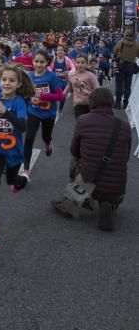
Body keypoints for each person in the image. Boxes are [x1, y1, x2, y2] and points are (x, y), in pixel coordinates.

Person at [51, 87, 131, 231]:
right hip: (117, 187)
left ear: (91, 102)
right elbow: (125, 157)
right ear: (111, 103)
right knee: (116, 163)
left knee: (76, 157)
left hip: (89, 180)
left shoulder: (84, 120)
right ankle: (109, 202)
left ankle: (73, 197)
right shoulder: (124, 126)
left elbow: (74, 150)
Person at [0, 65, 34, 239]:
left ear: (18, 84)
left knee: (10, 180)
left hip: (13, 151)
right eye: (4, 79)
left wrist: (5, 112)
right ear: (0, 81)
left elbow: (22, 126)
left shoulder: (18, 102)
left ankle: (21, 181)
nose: (7, 83)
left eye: (11, 80)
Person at [22, 49, 63, 180]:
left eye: (42, 62)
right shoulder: (29, 76)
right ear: (32, 62)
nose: (38, 64)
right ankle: (26, 171)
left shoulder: (52, 77)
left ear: (47, 63)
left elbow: (60, 96)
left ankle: (48, 144)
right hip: (33, 111)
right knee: (28, 139)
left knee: (46, 136)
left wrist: (42, 95)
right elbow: (26, 94)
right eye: (36, 61)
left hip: (48, 113)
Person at [63, 53, 99, 119]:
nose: (80, 65)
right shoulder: (71, 75)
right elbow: (69, 86)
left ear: (86, 64)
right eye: (78, 62)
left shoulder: (91, 75)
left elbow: (97, 89)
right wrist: (62, 94)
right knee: (80, 124)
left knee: (90, 125)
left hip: (90, 104)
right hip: (78, 104)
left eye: (82, 63)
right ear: (75, 63)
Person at [113, 29, 139, 109]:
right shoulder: (137, 44)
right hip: (131, 67)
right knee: (128, 85)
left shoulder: (121, 42)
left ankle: (117, 103)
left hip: (120, 65)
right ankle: (126, 103)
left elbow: (114, 52)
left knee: (119, 84)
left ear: (125, 35)